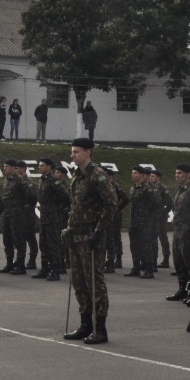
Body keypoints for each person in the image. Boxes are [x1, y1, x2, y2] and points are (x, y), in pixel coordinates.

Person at [62, 137, 117, 345]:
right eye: (72, 152)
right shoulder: (77, 176)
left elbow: (111, 204)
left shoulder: (98, 176)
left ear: (88, 152)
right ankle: (85, 324)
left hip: (91, 236)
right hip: (75, 235)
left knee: (94, 281)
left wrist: (98, 230)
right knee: (79, 281)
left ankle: (100, 328)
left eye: (76, 152)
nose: (72, 155)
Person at [166, 164, 190, 301]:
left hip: (189, 233)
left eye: (180, 173)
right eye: (176, 173)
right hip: (178, 231)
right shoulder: (179, 190)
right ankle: (182, 290)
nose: (177, 175)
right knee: (178, 262)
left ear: (188, 175)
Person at [33, 157, 69, 281]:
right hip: (44, 217)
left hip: (53, 218)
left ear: (49, 167)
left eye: (42, 165)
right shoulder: (42, 180)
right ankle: (44, 269)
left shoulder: (54, 181)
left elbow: (66, 196)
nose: (39, 167)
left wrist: (58, 208)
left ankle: (55, 270)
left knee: (53, 245)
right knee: (43, 244)